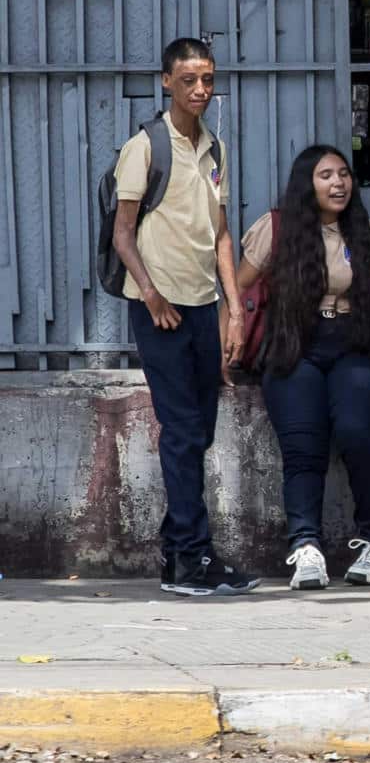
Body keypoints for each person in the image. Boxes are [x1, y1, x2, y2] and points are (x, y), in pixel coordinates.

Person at [111, 38, 257, 597]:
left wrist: (234, 311)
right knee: (181, 431)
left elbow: (220, 233)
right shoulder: (145, 147)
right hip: (160, 309)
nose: (201, 89)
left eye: (208, 79)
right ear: (166, 82)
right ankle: (193, 559)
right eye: (189, 79)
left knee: (200, 432)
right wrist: (150, 294)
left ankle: (181, 554)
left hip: (201, 307)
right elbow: (124, 232)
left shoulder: (214, 147)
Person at [238, 145, 370, 590]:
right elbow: (239, 291)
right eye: (326, 175)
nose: (338, 183)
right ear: (306, 185)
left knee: (357, 435)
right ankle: (306, 549)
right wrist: (228, 342)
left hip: (356, 344)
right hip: (295, 346)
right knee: (302, 450)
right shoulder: (275, 230)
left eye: (344, 174)